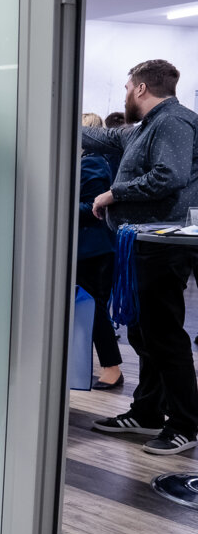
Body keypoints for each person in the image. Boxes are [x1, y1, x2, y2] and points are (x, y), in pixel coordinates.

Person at [85, 59, 198, 454]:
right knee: (143, 333)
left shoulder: (173, 122)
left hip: (162, 246)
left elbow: (169, 175)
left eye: (126, 87)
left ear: (140, 88)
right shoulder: (147, 127)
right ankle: (147, 413)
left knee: (164, 336)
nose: (124, 95)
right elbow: (105, 137)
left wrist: (113, 194)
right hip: (141, 244)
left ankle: (185, 424)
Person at [77, 113, 122, 389]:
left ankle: (111, 368)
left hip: (94, 250)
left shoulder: (92, 161)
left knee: (94, 309)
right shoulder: (91, 161)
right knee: (92, 309)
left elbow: (94, 208)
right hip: (91, 248)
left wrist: (59, 202)